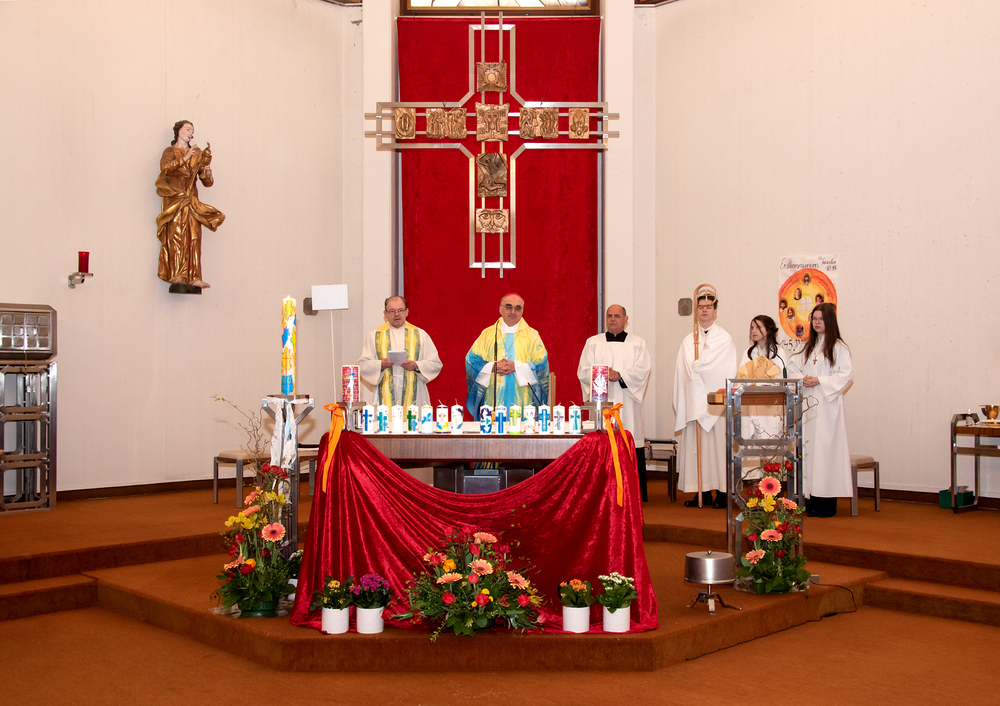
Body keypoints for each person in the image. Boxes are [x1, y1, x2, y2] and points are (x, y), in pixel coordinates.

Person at [576, 305, 652, 501]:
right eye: (609, 316)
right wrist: (601, 373)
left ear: (626, 319)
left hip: (628, 402)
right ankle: (600, 491)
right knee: (602, 442)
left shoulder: (638, 343)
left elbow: (643, 370)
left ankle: (633, 493)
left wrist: (620, 375)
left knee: (629, 439)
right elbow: (583, 371)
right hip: (602, 403)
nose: (612, 319)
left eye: (617, 316)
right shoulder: (593, 342)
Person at [787, 303, 853, 517]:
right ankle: (811, 498)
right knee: (809, 452)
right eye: (814, 319)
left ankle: (827, 503)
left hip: (828, 407)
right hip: (809, 407)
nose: (816, 322)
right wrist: (802, 379)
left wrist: (820, 381)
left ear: (830, 321)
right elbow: (792, 368)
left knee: (826, 453)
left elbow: (846, 375)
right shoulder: (808, 347)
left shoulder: (839, 347)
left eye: (821, 319)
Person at [673, 292, 737, 508]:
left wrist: (699, 368)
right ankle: (702, 490)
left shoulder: (724, 338)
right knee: (698, 449)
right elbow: (683, 370)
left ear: (715, 311)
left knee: (718, 448)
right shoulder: (688, 340)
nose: (704, 310)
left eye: (709, 306)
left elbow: (725, 368)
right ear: (696, 310)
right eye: (701, 307)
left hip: (715, 404)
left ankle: (722, 491)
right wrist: (695, 373)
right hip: (695, 402)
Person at [155, 120, 225, 289]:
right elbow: (165, 169)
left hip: (191, 200)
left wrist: (207, 171)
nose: (190, 133)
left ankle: (194, 277)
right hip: (176, 200)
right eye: (187, 129)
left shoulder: (196, 153)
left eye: (192, 131)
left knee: (194, 236)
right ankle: (178, 274)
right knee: (176, 236)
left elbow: (206, 182)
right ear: (178, 131)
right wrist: (185, 158)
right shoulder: (170, 151)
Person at [466, 293, 549, 417]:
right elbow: (471, 360)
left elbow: (542, 365)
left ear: (522, 311)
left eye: (517, 308)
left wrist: (517, 367)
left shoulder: (532, 336)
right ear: (500, 309)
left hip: (523, 399)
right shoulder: (487, 334)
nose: (513, 312)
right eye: (508, 307)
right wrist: (492, 367)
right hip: (493, 397)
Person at [358, 296, 443, 408]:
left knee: (413, 418)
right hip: (385, 390)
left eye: (400, 310)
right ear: (385, 313)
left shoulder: (420, 335)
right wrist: (380, 365)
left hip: (415, 391)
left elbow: (436, 364)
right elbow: (362, 365)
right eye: (392, 311)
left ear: (407, 312)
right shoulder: (374, 336)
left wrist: (417, 365)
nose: (397, 314)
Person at [738, 315, 787, 474]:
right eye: (752, 327)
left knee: (772, 448)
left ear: (769, 330)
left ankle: (772, 485)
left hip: (771, 407)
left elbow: (782, 380)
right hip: (752, 405)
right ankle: (752, 484)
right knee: (750, 446)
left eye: (758, 327)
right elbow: (741, 379)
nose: (754, 331)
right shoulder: (748, 353)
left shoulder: (778, 353)